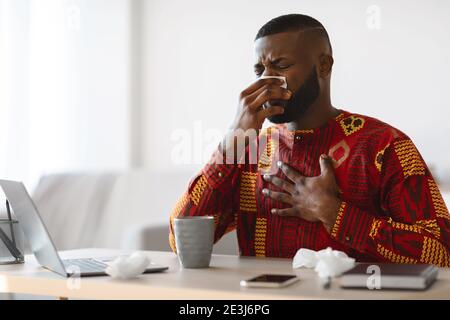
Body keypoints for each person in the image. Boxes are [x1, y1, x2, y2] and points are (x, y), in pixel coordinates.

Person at [169, 14, 450, 266]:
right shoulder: (248, 150)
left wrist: (334, 213)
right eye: (259, 70)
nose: (267, 80)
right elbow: (180, 241)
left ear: (323, 65)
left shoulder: (385, 145)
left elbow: (442, 253)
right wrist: (230, 146)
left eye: (280, 65)